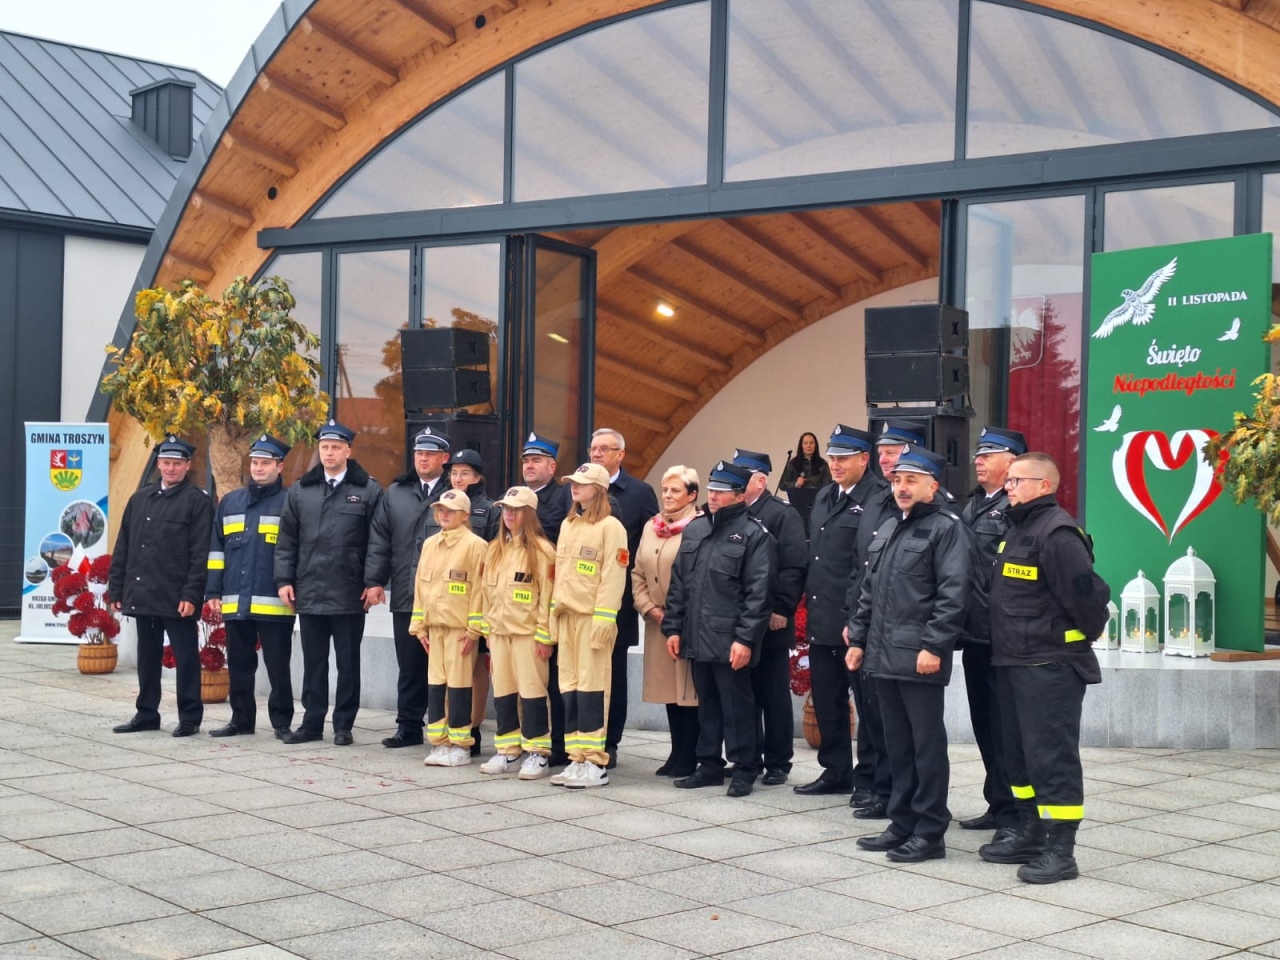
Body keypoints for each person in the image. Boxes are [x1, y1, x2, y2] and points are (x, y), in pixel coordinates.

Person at [981, 452, 1110, 884]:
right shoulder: (1016, 530)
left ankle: (1061, 849)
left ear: (1045, 485)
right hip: (1013, 662)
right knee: (1016, 757)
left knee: (1050, 758)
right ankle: (1029, 830)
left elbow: (1088, 599)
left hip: (1049, 665)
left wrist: (1071, 640)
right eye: (1009, 480)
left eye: (1018, 480)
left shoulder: (1057, 534)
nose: (1009, 486)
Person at [848, 448, 970, 863]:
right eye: (898, 480)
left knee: (925, 747)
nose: (901, 487)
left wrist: (934, 646)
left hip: (919, 657)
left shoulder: (945, 529)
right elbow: (869, 592)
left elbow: (953, 595)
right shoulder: (888, 528)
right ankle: (901, 823)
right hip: (883, 656)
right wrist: (858, 641)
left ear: (933, 486)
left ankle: (930, 830)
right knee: (896, 745)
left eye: (912, 480)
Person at [664, 461, 776, 798]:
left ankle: (744, 769)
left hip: (730, 640)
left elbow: (759, 595)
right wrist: (673, 628)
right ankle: (709, 765)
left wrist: (745, 639)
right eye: (711, 489)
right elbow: (679, 584)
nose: (712, 496)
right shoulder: (696, 530)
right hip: (697, 635)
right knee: (707, 706)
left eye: (721, 491)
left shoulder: (754, 535)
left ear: (739, 495)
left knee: (738, 707)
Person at [794, 425, 893, 803]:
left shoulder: (878, 498)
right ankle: (835, 770)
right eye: (832, 457)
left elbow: (866, 566)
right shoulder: (823, 497)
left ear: (863, 460)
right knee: (827, 699)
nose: (834, 464)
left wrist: (858, 620)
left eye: (843, 457)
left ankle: (869, 778)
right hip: (822, 618)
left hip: (854, 620)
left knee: (868, 708)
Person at [274, 419, 382, 746]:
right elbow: (286, 540)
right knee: (314, 663)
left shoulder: (368, 490)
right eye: (324, 447)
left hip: (350, 592)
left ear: (349, 451)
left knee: (348, 664)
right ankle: (311, 723)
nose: (330, 452)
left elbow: (378, 541)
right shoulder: (301, 491)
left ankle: (343, 725)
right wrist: (283, 579)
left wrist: (374, 580)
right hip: (310, 589)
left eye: (336, 447)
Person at [110, 436, 213, 737]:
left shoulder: (197, 501)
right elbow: (124, 547)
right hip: (143, 593)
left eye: (177, 463)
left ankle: (190, 718)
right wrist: (117, 589)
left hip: (177, 596)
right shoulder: (140, 498)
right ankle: (146, 714)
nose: (171, 468)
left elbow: (200, 553)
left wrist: (192, 594)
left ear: (187, 466)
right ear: (158, 464)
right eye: (166, 462)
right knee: (147, 658)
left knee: (186, 659)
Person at [957, 426, 1028, 835]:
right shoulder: (971, 506)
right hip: (975, 637)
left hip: (1004, 638)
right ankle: (997, 801)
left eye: (989, 453)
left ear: (1013, 461)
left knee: (1007, 730)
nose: (979, 460)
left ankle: (1015, 813)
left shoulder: (1015, 508)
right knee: (985, 725)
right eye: (978, 454)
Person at [364, 426, 452, 749]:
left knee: (445, 665)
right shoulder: (396, 493)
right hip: (405, 594)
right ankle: (409, 726)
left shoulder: (454, 493)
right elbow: (379, 539)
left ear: (445, 458)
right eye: (418, 453)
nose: (423, 458)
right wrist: (375, 581)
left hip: (444, 599)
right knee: (410, 666)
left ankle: (447, 727)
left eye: (430, 453)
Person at [205, 434, 295, 739]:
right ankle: (241, 720)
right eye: (255, 462)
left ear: (279, 467)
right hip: (234, 599)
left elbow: (295, 550)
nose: (258, 468)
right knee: (240, 666)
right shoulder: (230, 502)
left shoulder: (289, 502)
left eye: (265, 463)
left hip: (274, 600)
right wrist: (213, 592)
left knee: (278, 667)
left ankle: (281, 722)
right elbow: (217, 550)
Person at [549, 462, 629, 789]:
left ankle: (595, 761)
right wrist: (553, 616)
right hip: (567, 616)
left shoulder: (612, 527)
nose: (574, 488)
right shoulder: (569, 524)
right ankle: (576, 757)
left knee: (593, 686)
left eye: (581, 484)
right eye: (572, 483)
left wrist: (605, 617)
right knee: (569, 686)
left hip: (592, 618)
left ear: (598, 488)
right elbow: (560, 572)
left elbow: (614, 575)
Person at [734, 448, 808, 786]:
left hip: (772, 620)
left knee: (772, 693)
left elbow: (794, 566)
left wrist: (781, 609)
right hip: (740, 619)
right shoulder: (734, 512)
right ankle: (748, 757)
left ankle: (778, 761)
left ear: (761, 481)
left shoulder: (781, 515)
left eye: (743, 474)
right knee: (743, 694)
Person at [473, 486, 556, 780]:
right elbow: (484, 594)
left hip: (528, 635)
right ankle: (508, 749)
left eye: (516, 509)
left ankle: (537, 752)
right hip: (498, 635)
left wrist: (545, 637)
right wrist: (486, 632)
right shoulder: (494, 549)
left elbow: (548, 598)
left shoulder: (543, 552)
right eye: (506, 508)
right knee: (504, 693)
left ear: (529, 514)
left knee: (533, 694)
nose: (508, 514)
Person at [589, 428, 659, 769]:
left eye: (605, 449)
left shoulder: (640, 493)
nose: (597, 454)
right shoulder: (575, 492)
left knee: (612, 674)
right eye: (593, 448)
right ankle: (577, 739)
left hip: (617, 603)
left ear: (621, 455)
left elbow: (649, 549)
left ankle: (609, 741)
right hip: (578, 602)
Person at [410, 489, 489, 766]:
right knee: (436, 686)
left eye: (451, 510)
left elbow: (480, 591)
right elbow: (420, 586)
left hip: (460, 631)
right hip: (435, 629)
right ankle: (439, 742)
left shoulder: (476, 546)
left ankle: (460, 744)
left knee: (459, 687)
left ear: (465, 515)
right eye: (441, 509)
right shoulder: (430, 544)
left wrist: (474, 630)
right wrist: (418, 626)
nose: (444, 514)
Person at [632, 465, 702, 778]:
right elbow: (637, 574)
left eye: (676, 490)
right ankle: (676, 751)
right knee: (668, 692)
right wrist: (648, 607)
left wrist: (674, 615)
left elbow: (698, 577)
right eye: (665, 489)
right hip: (656, 622)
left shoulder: (700, 527)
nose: (668, 496)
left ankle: (691, 754)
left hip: (686, 622)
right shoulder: (652, 526)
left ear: (692, 494)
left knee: (688, 692)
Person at [521, 431, 569, 766]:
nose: (529, 466)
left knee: (555, 680)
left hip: (549, 595)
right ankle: (530, 741)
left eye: (536, 461)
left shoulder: (563, 497)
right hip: (519, 602)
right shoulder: (515, 498)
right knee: (527, 680)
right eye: (526, 461)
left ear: (552, 467)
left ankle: (560, 744)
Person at [449, 446, 499, 754]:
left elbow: (494, 558)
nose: (458, 478)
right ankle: (451, 726)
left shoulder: (489, 510)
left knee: (476, 668)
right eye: (454, 473)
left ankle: (474, 726)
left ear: (477, 477)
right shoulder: (443, 506)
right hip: (449, 606)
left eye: (465, 473)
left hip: (477, 602)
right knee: (450, 667)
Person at [778, 432, 831, 537]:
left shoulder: (822, 464)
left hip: (818, 507)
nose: (809, 446)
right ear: (801, 446)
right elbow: (783, 485)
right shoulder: (793, 463)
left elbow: (829, 486)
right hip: (798, 509)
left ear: (815, 445)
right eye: (805, 443)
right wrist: (796, 484)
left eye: (811, 443)